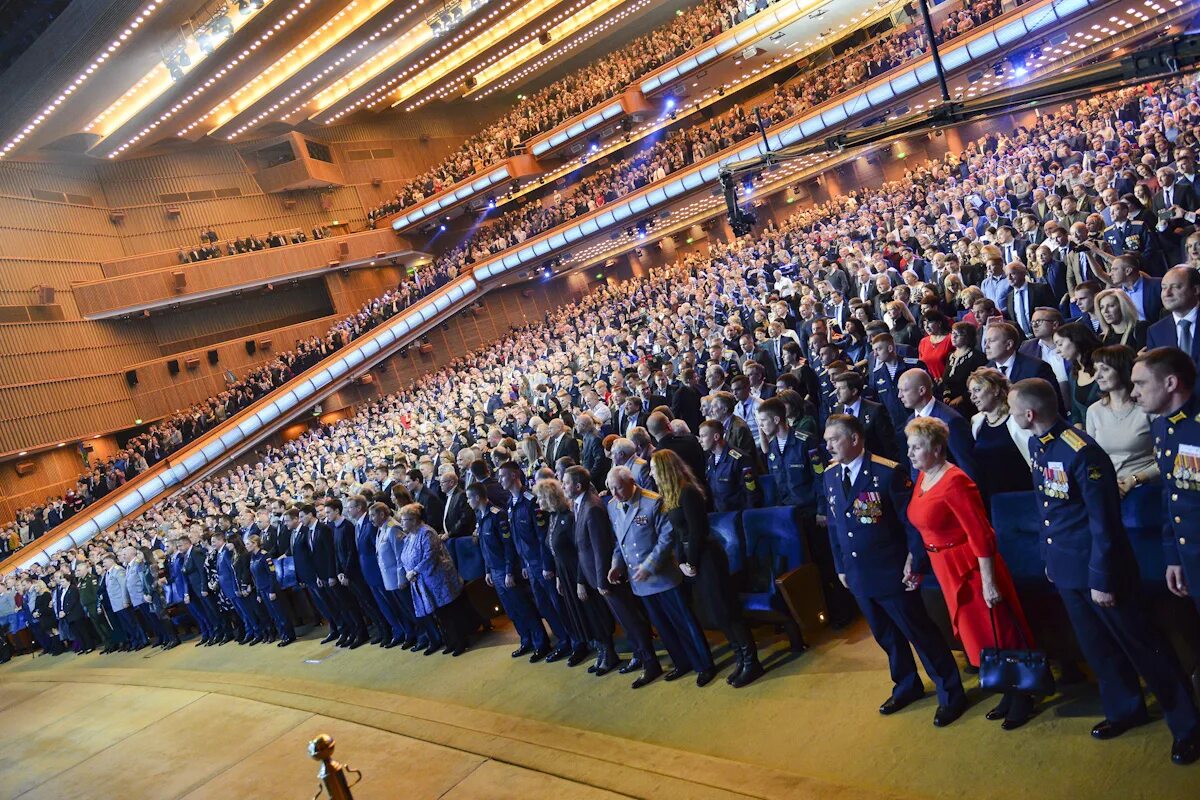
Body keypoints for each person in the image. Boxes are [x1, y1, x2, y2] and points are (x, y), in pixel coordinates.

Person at [1009, 377, 1200, 765]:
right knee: (1098, 648)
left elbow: (1104, 522)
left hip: (1101, 570)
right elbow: (1049, 511)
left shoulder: (1082, 452)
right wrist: (1050, 561)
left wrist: (1101, 576)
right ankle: (1125, 709)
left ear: (1029, 413)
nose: (1012, 416)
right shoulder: (1038, 445)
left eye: (1013, 409)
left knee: (1145, 648)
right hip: (1066, 568)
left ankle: (1188, 726)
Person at [820, 413, 967, 726]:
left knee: (920, 634)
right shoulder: (831, 476)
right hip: (858, 573)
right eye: (827, 439)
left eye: (834, 439)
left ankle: (951, 692)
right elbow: (834, 524)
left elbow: (910, 523)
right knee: (886, 637)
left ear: (855, 438)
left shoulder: (887, 473)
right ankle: (906, 685)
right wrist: (839, 565)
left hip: (891, 571)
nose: (827, 445)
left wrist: (914, 560)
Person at [904, 416, 1037, 730]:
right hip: (943, 566)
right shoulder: (924, 476)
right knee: (978, 635)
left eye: (917, 447)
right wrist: (915, 560)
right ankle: (1008, 689)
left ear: (937, 449)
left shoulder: (955, 480)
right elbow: (923, 526)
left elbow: (981, 534)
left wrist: (989, 581)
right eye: (909, 446)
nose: (910, 453)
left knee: (998, 630)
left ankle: (1025, 695)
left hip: (971, 567)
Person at [650, 450, 762, 688]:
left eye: (653, 468)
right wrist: (681, 561)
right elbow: (679, 535)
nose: (650, 473)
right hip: (693, 560)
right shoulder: (671, 496)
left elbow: (697, 531)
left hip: (707, 558)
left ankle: (752, 662)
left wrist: (690, 562)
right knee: (717, 613)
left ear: (663, 469)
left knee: (727, 609)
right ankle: (740, 659)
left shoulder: (688, 491)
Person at [605, 466, 716, 687]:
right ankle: (681, 662)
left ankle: (704, 665)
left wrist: (650, 566)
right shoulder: (612, 506)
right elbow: (620, 540)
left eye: (618, 488)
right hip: (638, 577)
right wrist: (616, 564)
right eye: (611, 489)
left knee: (684, 623)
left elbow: (666, 538)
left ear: (631, 482)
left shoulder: (653, 501)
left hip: (662, 574)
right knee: (662, 626)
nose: (615, 494)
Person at [563, 465, 650, 680]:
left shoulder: (592, 507)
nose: (562, 486)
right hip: (596, 576)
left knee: (629, 619)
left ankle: (646, 658)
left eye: (565, 483)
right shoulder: (579, 505)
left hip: (606, 577)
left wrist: (602, 580)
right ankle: (639, 655)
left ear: (577, 485)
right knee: (623, 619)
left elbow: (600, 547)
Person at [1130, 348, 1200, 611]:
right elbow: (1172, 494)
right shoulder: (1161, 426)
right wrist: (1175, 555)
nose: (1134, 393)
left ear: (1170, 383)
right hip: (1192, 555)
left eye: (1140, 384)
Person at [467, 482, 551, 660]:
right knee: (512, 610)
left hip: (507, 570)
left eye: (469, 498)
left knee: (524, 607)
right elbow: (484, 547)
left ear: (476, 497)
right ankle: (525, 640)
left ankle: (540, 643)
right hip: (495, 570)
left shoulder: (497, 515)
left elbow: (508, 546)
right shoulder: (480, 516)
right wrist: (488, 570)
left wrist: (508, 571)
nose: (468, 501)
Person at [534, 478, 611, 668]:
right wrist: (560, 577)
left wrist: (580, 581)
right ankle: (600, 650)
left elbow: (580, 552)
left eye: (540, 498)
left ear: (549, 497)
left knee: (592, 613)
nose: (537, 502)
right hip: (565, 575)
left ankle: (609, 652)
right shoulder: (553, 518)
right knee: (581, 616)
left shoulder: (568, 517)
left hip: (578, 573)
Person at [397, 503, 471, 656]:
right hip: (423, 581)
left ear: (414, 520)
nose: (402, 523)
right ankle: (450, 641)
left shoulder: (426, 533)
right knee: (440, 613)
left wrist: (415, 571)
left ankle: (461, 641)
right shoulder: (410, 536)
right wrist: (408, 572)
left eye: (404, 520)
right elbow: (404, 557)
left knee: (449, 611)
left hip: (438, 578)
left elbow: (429, 556)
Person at [1087, 345, 1160, 495]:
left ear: (1123, 370)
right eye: (1096, 369)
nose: (1097, 376)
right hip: (1108, 487)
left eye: (1105, 369)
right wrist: (1103, 482)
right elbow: (1091, 460)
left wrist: (1134, 480)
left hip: (1144, 487)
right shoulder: (1094, 411)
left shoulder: (1148, 409)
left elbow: (1165, 460)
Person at [966, 367, 1032, 500]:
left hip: (1022, 495)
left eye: (977, 390)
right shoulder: (976, 422)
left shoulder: (1017, 420)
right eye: (970, 392)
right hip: (991, 498)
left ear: (995, 390)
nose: (972, 397)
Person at [1145, 267, 1200, 380]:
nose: (1167, 293)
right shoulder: (1156, 332)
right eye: (1163, 288)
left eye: (1175, 287)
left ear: (1195, 290)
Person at [246, 534, 295, 646]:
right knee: (273, 614)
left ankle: (289, 635)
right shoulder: (253, 557)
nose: (246, 546)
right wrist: (258, 593)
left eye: (248, 544)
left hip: (270, 589)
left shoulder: (264, 556)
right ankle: (283, 635)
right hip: (262, 590)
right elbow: (255, 577)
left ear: (255, 544)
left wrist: (272, 591)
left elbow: (272, 574)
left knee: (280, 613)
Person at [1053, 321, 1103, 426]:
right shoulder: (1073, 373)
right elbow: (1076, 412)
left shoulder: (1103, 366)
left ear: (1076, 339)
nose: (1057, 351)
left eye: (1060, 344)